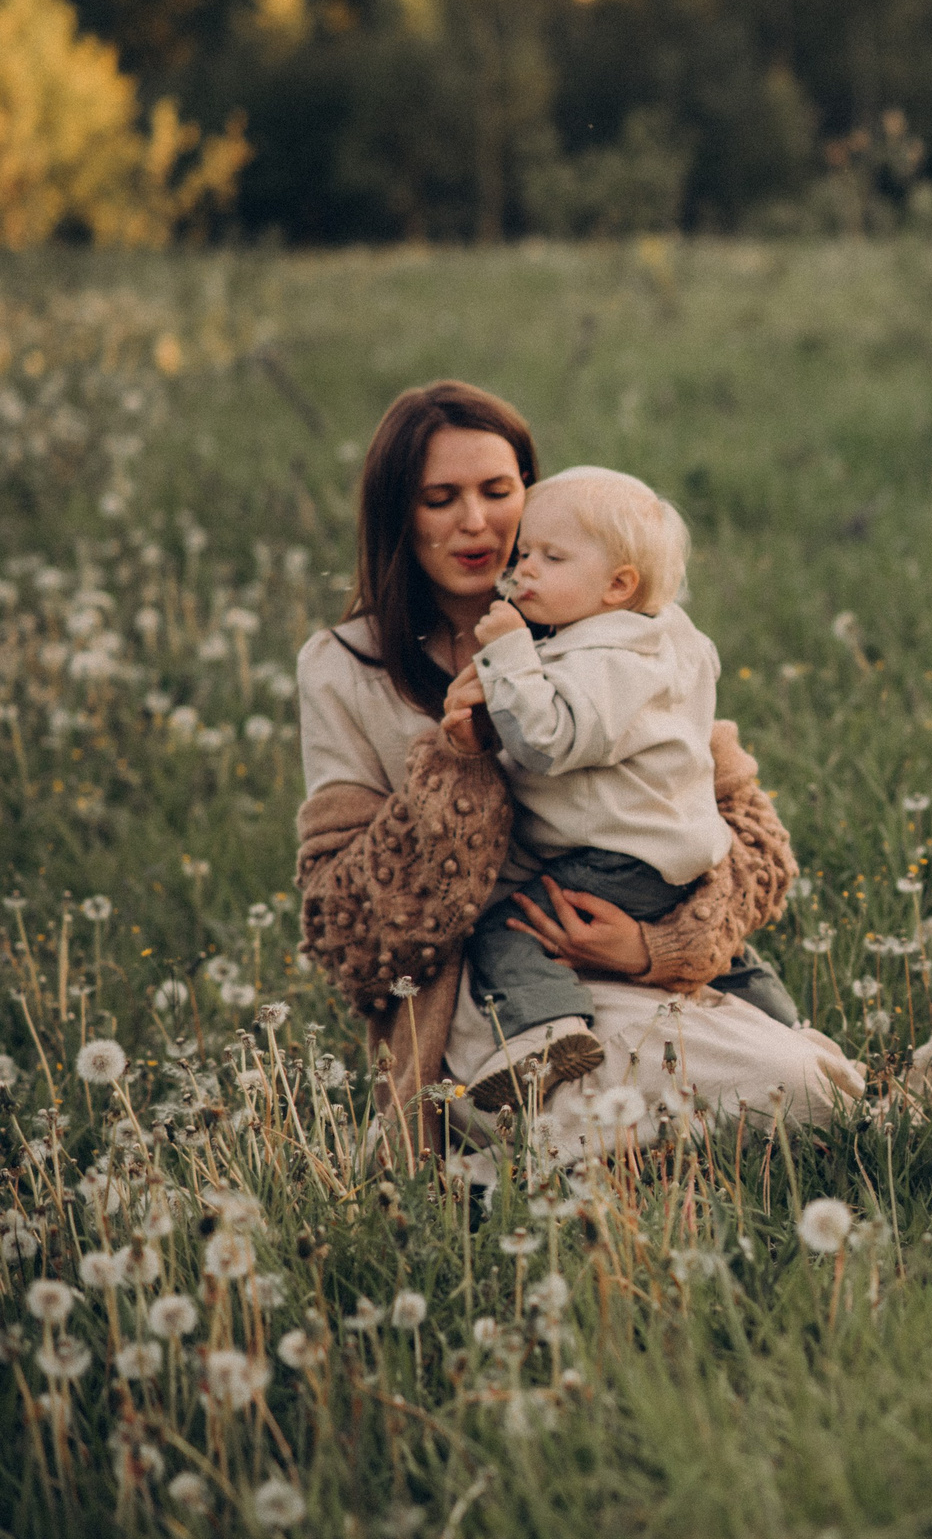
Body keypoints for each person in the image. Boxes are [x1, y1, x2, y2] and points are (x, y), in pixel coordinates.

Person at [295, 381, 855, 1159]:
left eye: (498, 490)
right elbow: (348, 935)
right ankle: (520, 1157)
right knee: (588, 1121)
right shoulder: (344, 669)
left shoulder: (614, 629)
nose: (476, 521)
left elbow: (752, 843)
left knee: (800, 1089)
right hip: (489, 1001)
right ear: (399, 515)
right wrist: (458, 763)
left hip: (636, 965)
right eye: (439, 498)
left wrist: (654, 947)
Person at [434, 465, 793, 1111]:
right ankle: (777, 1015)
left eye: (551, 557)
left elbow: (549, 742)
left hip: (615, 857)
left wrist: (511, 655)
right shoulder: (669, 641)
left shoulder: (601, 657)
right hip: (682, 854)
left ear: (618, 584)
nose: (525, 572)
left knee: (508, 927)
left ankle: (548, 1031)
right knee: (730, 957)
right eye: (524, 555)